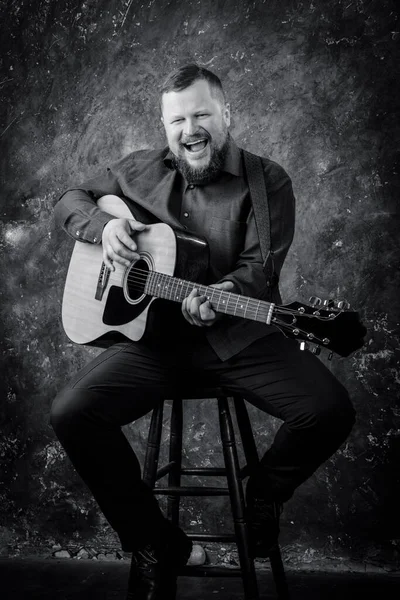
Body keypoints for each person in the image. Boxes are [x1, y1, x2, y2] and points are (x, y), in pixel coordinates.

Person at [51, 64, 355, 599]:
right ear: (164, 126)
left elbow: (260, 272)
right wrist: (107, 226)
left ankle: (264, 490)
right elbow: (69, 200)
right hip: (154, 344)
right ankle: (157, 544)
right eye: (177, 120)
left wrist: (218, 298)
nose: (189, 129)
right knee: (72, 414)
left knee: (329, 411)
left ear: (226, 115)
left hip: (237, 340)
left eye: (201, 115)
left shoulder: (267, 181)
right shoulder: (137, 170)